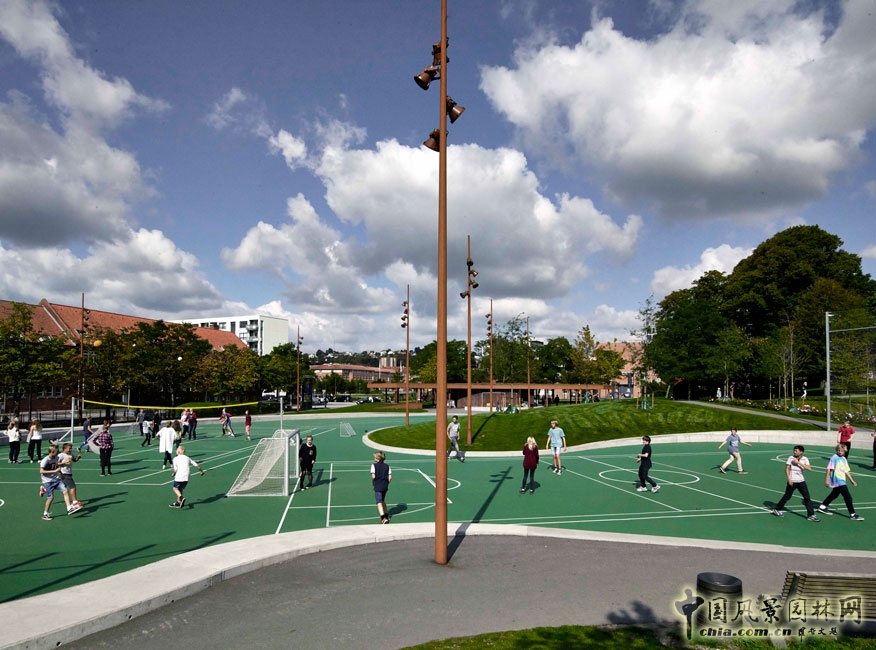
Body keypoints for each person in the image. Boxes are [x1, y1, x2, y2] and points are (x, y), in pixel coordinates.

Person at [817, 444, 864, 520]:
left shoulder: (844, 459)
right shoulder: (834, 458)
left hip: (842, 479)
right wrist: (827, 479)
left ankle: (822, 507)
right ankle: (852, 514)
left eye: (841, 450)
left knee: (834, 494)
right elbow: (828, 469)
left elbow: (846, 471)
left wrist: (851, 480)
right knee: (847, 497)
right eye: (838, 450)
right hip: (837, 480)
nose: (839, 452)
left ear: (844, 451)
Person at [772, 445, 818, 521]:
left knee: (807, 497)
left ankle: (811, 515)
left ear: (801, 452)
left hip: (801, 481)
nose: (794, 452)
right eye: (794, 450)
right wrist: (789, 479)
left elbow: (809, 468)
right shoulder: (791, 458)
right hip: (793, 480)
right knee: (787, 496)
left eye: (796, 451)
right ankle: (777, 509)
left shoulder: (805, 459)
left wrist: (799, 463)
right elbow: (787, 469)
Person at [39, 444, 72, 520]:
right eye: (56, 452)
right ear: (52, 452)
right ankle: (45, 514)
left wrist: (61, 473)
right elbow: (41, 471)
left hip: (56, 480)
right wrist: (54, 471)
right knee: (51, 497)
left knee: (65, 491)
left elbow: (56, 465)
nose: (58, 453)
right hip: (48, 481)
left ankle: (69, 508)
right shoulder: (45, 460)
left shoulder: (56, 457)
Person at [58, 442, 83, 514]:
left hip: (69, 473)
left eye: (71, 448)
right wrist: (64, 462)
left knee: (60, 486)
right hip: (64, 474)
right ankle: (74, 502)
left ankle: (45, 489)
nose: (70, 450)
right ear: (64, 448)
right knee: (73, 487)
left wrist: (78, 457)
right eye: (69, 448)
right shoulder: (61, 455)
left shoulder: (70, 454)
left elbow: (74, 460)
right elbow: (56, 463)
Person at [370, 451, 392, 524]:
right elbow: (390, 477)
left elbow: (373, 476)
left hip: (378, 485)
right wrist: (387, 483)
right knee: (382, 500)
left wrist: (373, 482)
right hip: (385, 485)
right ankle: (387, 515)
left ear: (377, 458)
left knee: (379, 502)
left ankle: (383, 518)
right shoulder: (387, 466)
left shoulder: (373, 465)